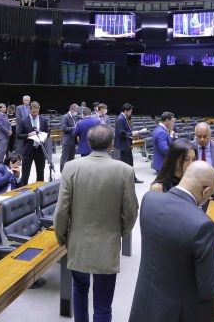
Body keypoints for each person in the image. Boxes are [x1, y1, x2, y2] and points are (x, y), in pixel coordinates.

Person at [129, 161, 214, 322]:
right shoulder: (202, 225)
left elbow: (170, 229)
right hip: (178, 313)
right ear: (206, 191)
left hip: (146, 304)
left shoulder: (149, 199)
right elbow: (210, 288)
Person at [55, 125, 139, 322]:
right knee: (102, 305)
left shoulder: (71, 167)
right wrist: (119, 232)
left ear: (87, 143)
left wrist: (62, 238)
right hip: (108, 245)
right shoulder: (125, 170)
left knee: (80, 290)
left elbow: (61, 211)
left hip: (78, 244)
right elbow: (131, 212)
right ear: (111, 145)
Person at [192, 122, 214, 201]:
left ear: (210, 134)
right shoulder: (190, 147)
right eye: (199, 136)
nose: (202, 139)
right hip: (195, 191)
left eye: (205, 136)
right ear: (195, 135)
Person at [16, 101, 50, 182]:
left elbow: (48, 133)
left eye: (37, 112)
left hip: (40, 150)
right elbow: (18, 135)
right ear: (29, 110)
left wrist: (43, 135)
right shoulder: (23, 120)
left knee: (40, 174)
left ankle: (39, 193)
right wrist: (28, 135)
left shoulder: (43, 120)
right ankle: (24, 193)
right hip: (28, 150)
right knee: (25, 175)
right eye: (33, 111)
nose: (35, 114)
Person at [114, 103, 143, 183]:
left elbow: (125, 130)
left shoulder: (124, 117)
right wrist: (131, 134)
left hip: (126, 144)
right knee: (127, 163)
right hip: (123, 145)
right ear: (125, 111)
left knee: (129, 162)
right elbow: (121, 132)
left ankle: (132, 178)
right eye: (130, 112)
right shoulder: (120, 119)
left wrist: (131, 132)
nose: (131, 113)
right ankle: (129, 180)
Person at [60, 103, 80, 171]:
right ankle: (62, 172)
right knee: (65, 158)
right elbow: (64, 128)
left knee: (71, 158)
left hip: (73, 141)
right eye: (76, 111)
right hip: (67, 141)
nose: (77, 112)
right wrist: (74, 128)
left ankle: (70, 172)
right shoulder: (65, 116)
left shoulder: (74, 117)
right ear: (71, 109)